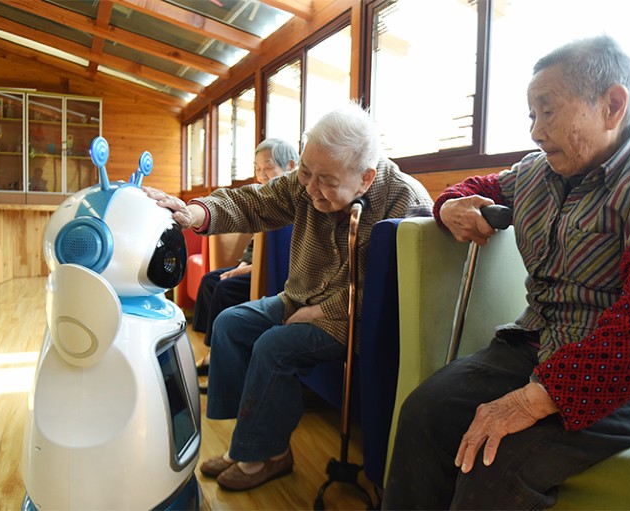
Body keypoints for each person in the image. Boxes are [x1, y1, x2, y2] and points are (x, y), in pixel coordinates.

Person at [382, 35, 630, 510]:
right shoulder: (539, 171)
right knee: (424, 412)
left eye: (548, 111)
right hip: (537, 341)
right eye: (531, 115)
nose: (536, 131)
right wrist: (450, 205)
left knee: (498, 461)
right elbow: (479, 186)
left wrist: (534, 399)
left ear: (612, 105)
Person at [145, 103, 433, 491]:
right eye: (305, 172)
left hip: (357, 316)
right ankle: (251, 441)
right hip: (298, 297)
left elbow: (400, 292)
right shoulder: (307, 183)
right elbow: (252, 202)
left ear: (365, 178)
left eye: (326, 180)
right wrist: (195, 213)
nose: (311, 189)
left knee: (274, 347)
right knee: (231, 323)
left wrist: (322, 312)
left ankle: (265, 454)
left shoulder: (405, 200)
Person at [192, 138, 299, 388]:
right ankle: (211, 349)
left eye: (268, 168)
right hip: (251, 266)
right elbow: (252, 245)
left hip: (273, 275)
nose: (262, 175)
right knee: (210, 280)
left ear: (291, 166)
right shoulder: (265, 199)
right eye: (257, 168)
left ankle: (217, 359)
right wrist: (242, 265)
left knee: (225, 287)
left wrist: (247, 268)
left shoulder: (292, 198)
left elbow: (286, 256)